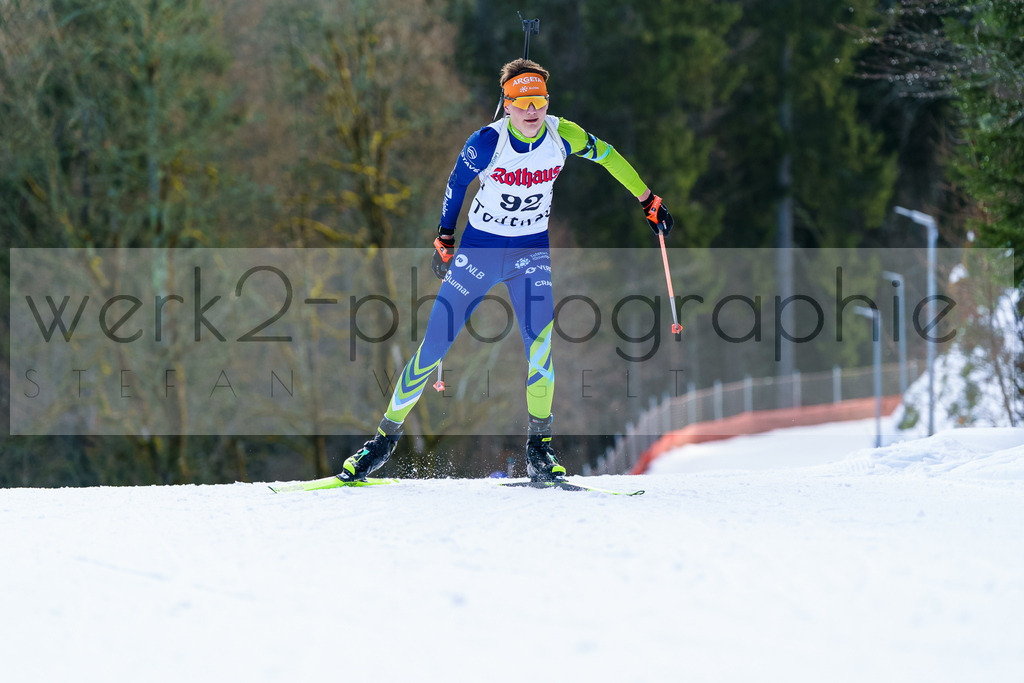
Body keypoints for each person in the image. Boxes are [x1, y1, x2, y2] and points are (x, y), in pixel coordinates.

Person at [338, 58, 673, 482]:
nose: (532, 110)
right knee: (433, 347)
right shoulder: (485, 142)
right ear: (507, 104)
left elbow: (608, 157)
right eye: (522, 101)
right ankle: (381, 442)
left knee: (541, 347)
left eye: (539, 100)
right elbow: (456, 184)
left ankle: (540, 449)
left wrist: (647, 199)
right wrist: (445, 236)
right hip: (480, 250)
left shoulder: (561, 134)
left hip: (530, 253)